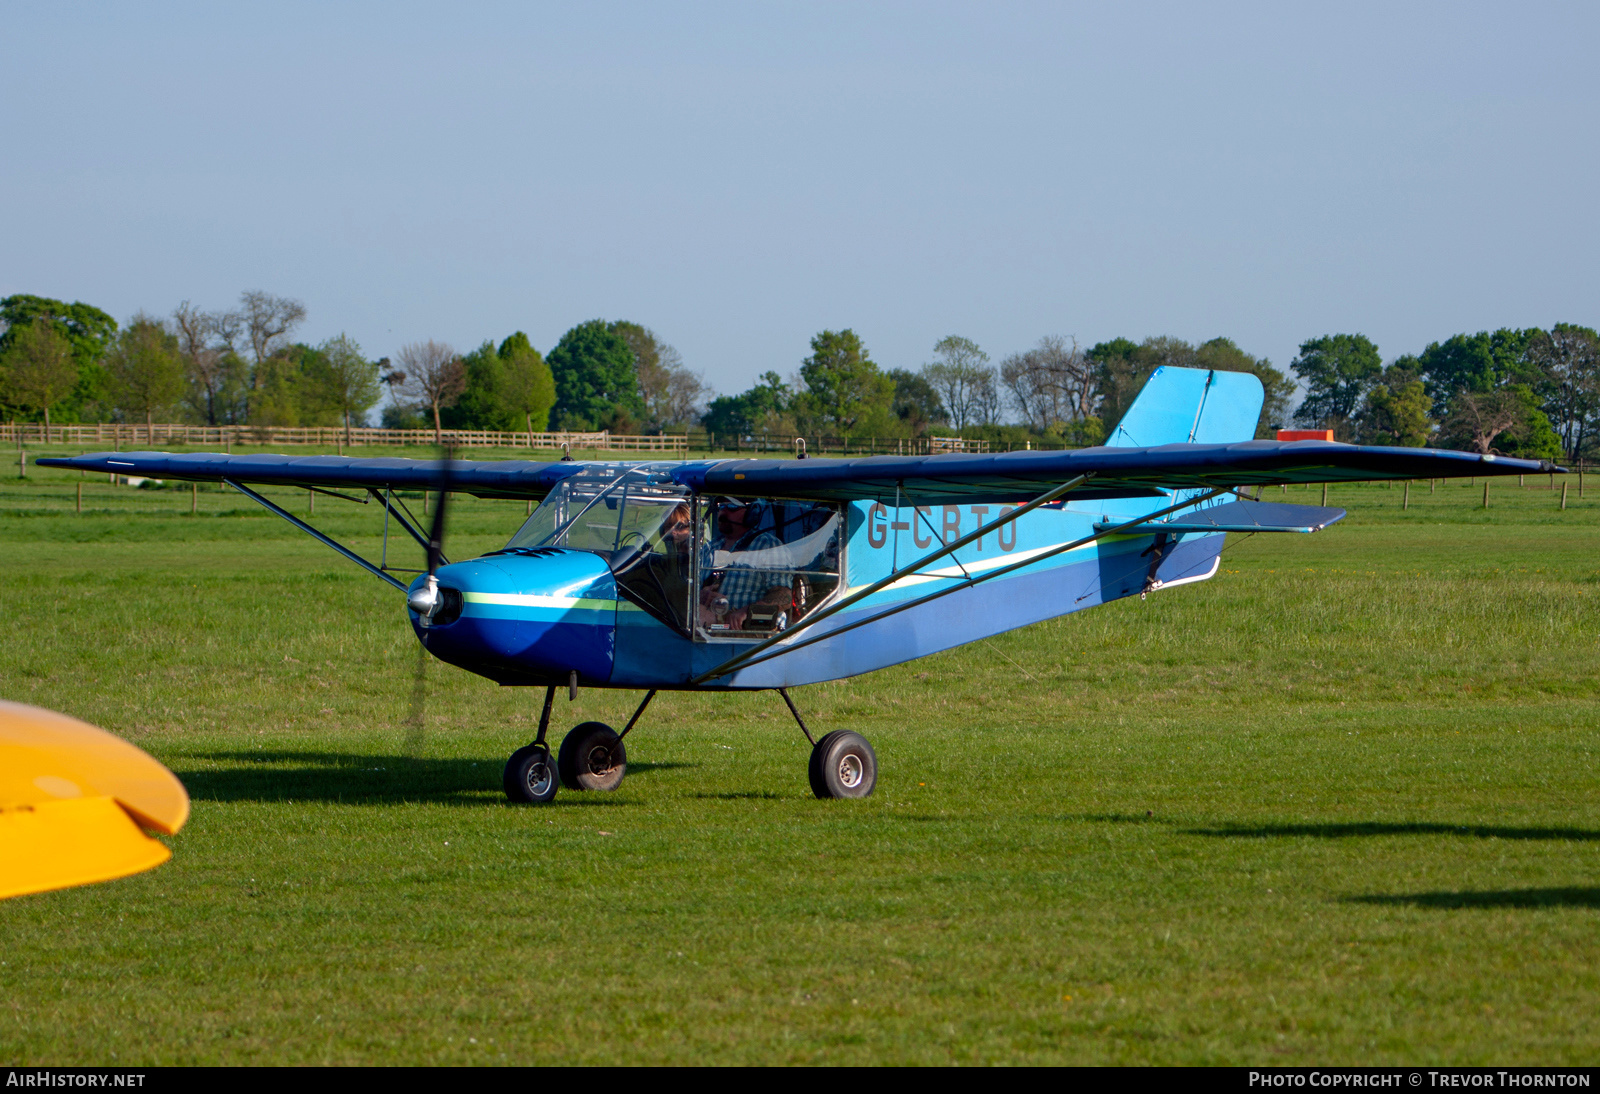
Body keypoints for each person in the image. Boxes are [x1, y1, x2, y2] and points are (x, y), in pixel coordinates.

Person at [699, 498, 793, 632]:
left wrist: (747, 611)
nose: (723, 512)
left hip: (750, 629)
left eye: (731, 507)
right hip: (710, 626)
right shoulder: (709, 548)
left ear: (752, 513)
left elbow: (784, 597)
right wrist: (701, 595)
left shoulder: (768, 546)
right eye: (721, 506)